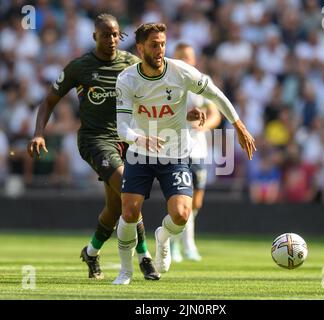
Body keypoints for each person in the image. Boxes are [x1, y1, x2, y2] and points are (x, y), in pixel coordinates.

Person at [114, 23, 256, 285]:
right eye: (154, 45)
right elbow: (122, 127)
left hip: (176, 155)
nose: (160, 50)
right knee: (130, 212)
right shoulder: (127, 79)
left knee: (181, 215)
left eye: (163, 44)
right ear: (140, 47)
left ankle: (163, 238)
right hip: (140, 154)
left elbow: (216, 94)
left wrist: (238, 125)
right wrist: (140, 137)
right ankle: (125, 272)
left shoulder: (180, 71)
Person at [27, 14, 160, 281]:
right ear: (94, 37)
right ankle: (145, 257)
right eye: (105, 35)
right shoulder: (80, 67)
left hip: (127, 140)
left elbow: (158, 92)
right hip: (95, 140)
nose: (111, 40)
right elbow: (49, 101)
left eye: (115, 35)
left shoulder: (131, 63)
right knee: (129, 190)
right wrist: (39, 133)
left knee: (115, 208)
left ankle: (91, 252)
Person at [170, 42, 222, 262]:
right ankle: (181, 245)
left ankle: (179, 242)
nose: (184, 61)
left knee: (197, 202)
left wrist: (204, 125)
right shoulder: (168, 83)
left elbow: (215, 114)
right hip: (175, 147)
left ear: (194, 60)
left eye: (187, 57)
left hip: (199, 147)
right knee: (183, 198)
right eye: (180, 57)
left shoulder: (203, 82)